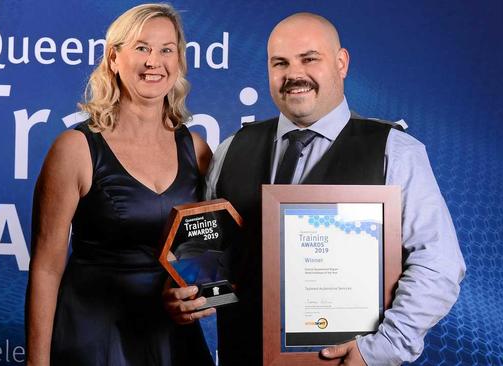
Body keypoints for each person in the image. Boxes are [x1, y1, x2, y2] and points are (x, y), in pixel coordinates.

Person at [164, 12, 466, 366]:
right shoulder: (232, 149)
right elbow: (217, 264)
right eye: (280, 63)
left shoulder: (394, 151)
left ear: (341, 64)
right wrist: (193, 298)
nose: (294, 74)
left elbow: (439, 264)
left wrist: (380, 349)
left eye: (309, 59)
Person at [25, 4, 214, 366]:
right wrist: (36, 363)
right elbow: (46, 268)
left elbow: (207, 251)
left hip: (172, 338)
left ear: (179, 61)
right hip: (93, 336)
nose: (153, 61)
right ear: (114, 58)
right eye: (141, 47)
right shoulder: (75, 148)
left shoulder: (197, 149)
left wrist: (199, 290)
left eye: (166, 49)